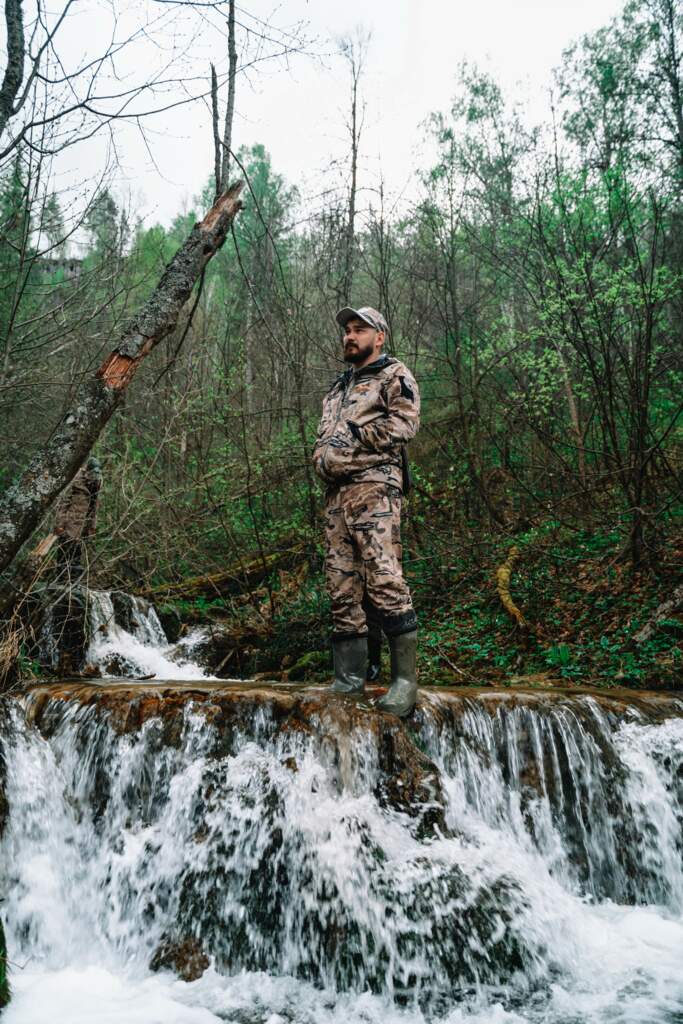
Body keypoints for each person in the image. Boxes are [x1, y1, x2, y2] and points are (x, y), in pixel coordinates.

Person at [312, 306, 420, 716]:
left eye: (359, 330)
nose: (349, 336)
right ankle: (349, 679)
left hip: (375, 490)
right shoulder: (338, 387)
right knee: (341, 586)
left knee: (384, 580)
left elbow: (405, 426)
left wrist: (356, 438)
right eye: (347, 330)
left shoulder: (395, 375)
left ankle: (404, 682)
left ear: (380, 337)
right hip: (337, 496)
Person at [54, 456, 102, 579]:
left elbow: (94, 506)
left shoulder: (97, 483)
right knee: (64, 553)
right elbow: (63, 503)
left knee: (76, 556)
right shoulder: (75, 481)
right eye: (92, 472)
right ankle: (60, 581)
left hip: (84, 527)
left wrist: (92, 526)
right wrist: (59, 524)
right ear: (87, 470)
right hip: (69, 524)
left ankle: (73, 583)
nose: (94, 475)